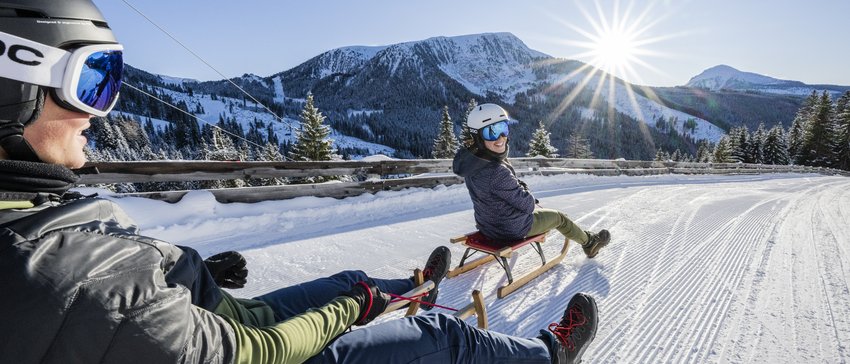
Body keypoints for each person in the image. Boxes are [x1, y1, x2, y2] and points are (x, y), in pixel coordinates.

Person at [0, 1, 598, 363]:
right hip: (252, 350)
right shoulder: (55, 270)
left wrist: (191, 271)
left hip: (211, 316)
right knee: (444, 337)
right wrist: (348, 311)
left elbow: (122, 302)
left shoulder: (34, 215)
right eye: (92, 80)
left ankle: (408, 284)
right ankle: (549, 353)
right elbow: (252, 353)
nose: (97, 112)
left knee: (349, 279)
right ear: (15, 86)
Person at [453, 103, 611, 257]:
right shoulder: (496, 171)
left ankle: (587, 239)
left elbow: (497, 195)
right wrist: (525, 191)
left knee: (541, 211)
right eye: (491, 132)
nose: (500, 137)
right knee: (560, 218)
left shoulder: (472, 164)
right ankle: (590, 243)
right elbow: (528, 205)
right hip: (511, 229)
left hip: (487, 226)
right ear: (477, 137)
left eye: (503, 128)